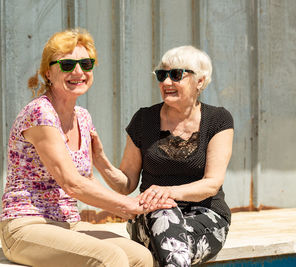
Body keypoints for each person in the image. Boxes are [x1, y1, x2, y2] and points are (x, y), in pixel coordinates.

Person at [0, 28, 176, 267]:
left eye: (86, 63)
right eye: (67, 64)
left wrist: (136, 203)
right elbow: (71, 183)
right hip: (26, 226)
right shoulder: (40, 113)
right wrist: (128, 205)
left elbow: (87, 179)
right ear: (48, 73)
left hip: (68, 224)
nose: (78, 71)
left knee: (141, 257)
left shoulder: (82, 117)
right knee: (109, 258)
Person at [91, 45, 234, 266]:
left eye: (176, 75)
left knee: (169, 238)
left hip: (205, 217)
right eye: (162, 75)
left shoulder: (217, 120)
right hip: (151, 218)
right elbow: (126, 184)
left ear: (200, 81)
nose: (167, 83)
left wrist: (166, 192)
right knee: (163, 214)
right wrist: (100, 160)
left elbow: (211, 184)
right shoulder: (143, 119)